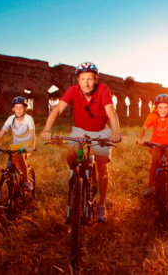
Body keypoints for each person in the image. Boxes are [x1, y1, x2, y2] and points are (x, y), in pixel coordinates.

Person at [41, 62, 121, 222]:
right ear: (78, 79)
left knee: (102, 164)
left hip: (101, 130)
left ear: (96, 79)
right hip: (80, 130)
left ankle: (101, 206)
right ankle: (76, 187)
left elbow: (111, 112)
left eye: (90, 79)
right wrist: (47, 129)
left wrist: (116, 132)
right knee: (72, 157)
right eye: (83, 78)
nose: (86, 82)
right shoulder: (73, 90)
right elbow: (57, 109)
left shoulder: (103, 89)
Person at [0, 97, 36, 190]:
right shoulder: (10, 119)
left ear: (25, 109)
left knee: (20, 156)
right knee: (10, 167)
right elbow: (0, 134)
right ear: (13, 109)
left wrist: (32, 146)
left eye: (21, 107)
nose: (18, 110)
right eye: (16, 107)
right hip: (15, 145)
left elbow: (33, 134)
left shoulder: (28, 118)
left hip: (27, 144)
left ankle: (26, 182)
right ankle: (15, 188)